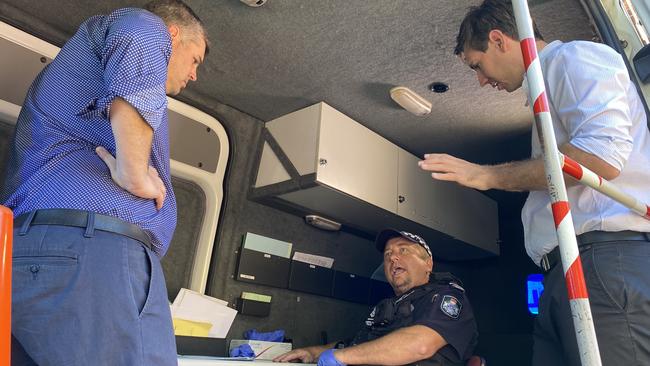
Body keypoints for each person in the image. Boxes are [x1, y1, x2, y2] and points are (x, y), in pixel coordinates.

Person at [418, 1, 650, 365]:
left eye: (477, 66)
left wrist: (486, 175)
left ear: (498, 40)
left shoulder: (573, 59)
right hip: (570, 270)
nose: (480, 80)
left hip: (601, 262)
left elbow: (600, 155)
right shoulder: (548, 90)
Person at [1, 0, 208, 364]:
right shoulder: (143, 25)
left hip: (35, 253)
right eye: (195, 60)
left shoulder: (80, 79)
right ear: (173, 34)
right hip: (93, 252)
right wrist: (134, 173)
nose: (194, 75)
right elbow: (139, 32)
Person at [274, 229, 478, 366]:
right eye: (388, 254)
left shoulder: (447, 297)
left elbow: (420, 344)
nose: (392, 257)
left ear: (428, 264)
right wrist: (313, 352)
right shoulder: (386, 306)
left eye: (403, 250)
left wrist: (342, 357)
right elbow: (357, 342)